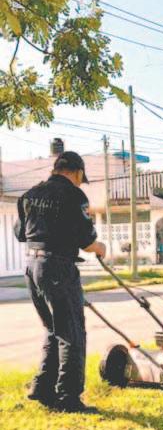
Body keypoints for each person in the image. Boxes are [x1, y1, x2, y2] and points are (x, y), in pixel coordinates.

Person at [14, 151, 106, 413]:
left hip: (32, 267)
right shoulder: (74, 196)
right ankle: (68, 398)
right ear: (77, 172)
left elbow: (21, 234)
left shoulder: (29, 195)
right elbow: (86, 240)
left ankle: (42, 388)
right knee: (72, 333)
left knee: (53, 329)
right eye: (80, 178)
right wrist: (100, 248)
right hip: (57, 268)